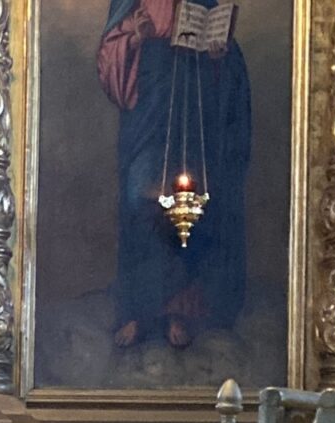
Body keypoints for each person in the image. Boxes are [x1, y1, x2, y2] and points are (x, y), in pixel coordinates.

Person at [97, 0, 251, 350]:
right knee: (140, 198)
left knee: (191, 197)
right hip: (149, 102)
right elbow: (109, 51)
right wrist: (133, 38)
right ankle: (138, 310)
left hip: (194, 101)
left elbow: (227, 61)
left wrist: (219, 55)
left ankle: (178, 310)